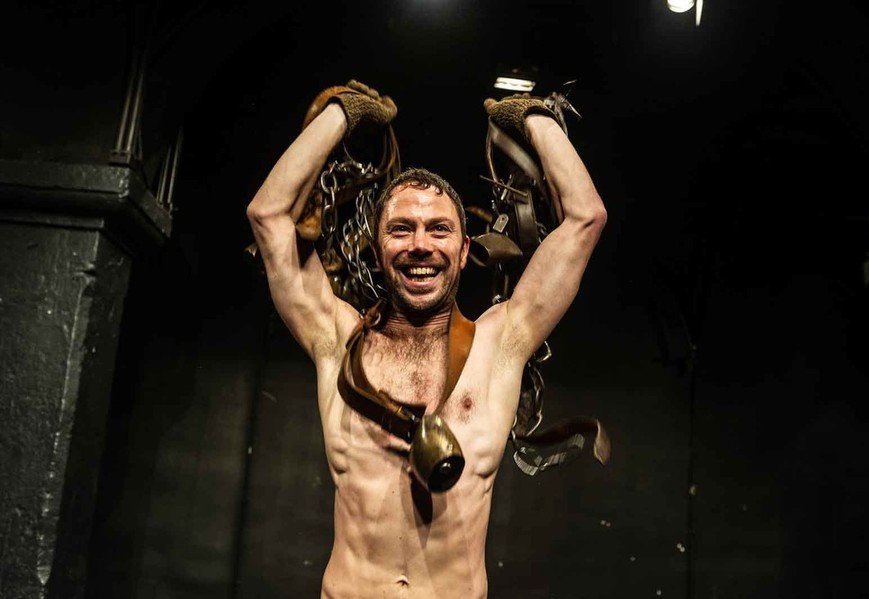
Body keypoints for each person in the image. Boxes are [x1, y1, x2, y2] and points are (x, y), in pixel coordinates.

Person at [246, 80, 607, 598]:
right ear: (376, 250)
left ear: (464, 251)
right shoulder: (336, 340)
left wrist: (531, 117)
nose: (420, 245)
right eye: (401, 229)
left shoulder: (500, 345)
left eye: (439, 229)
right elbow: (268, 217)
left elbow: (586, 218)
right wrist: (343, 113)